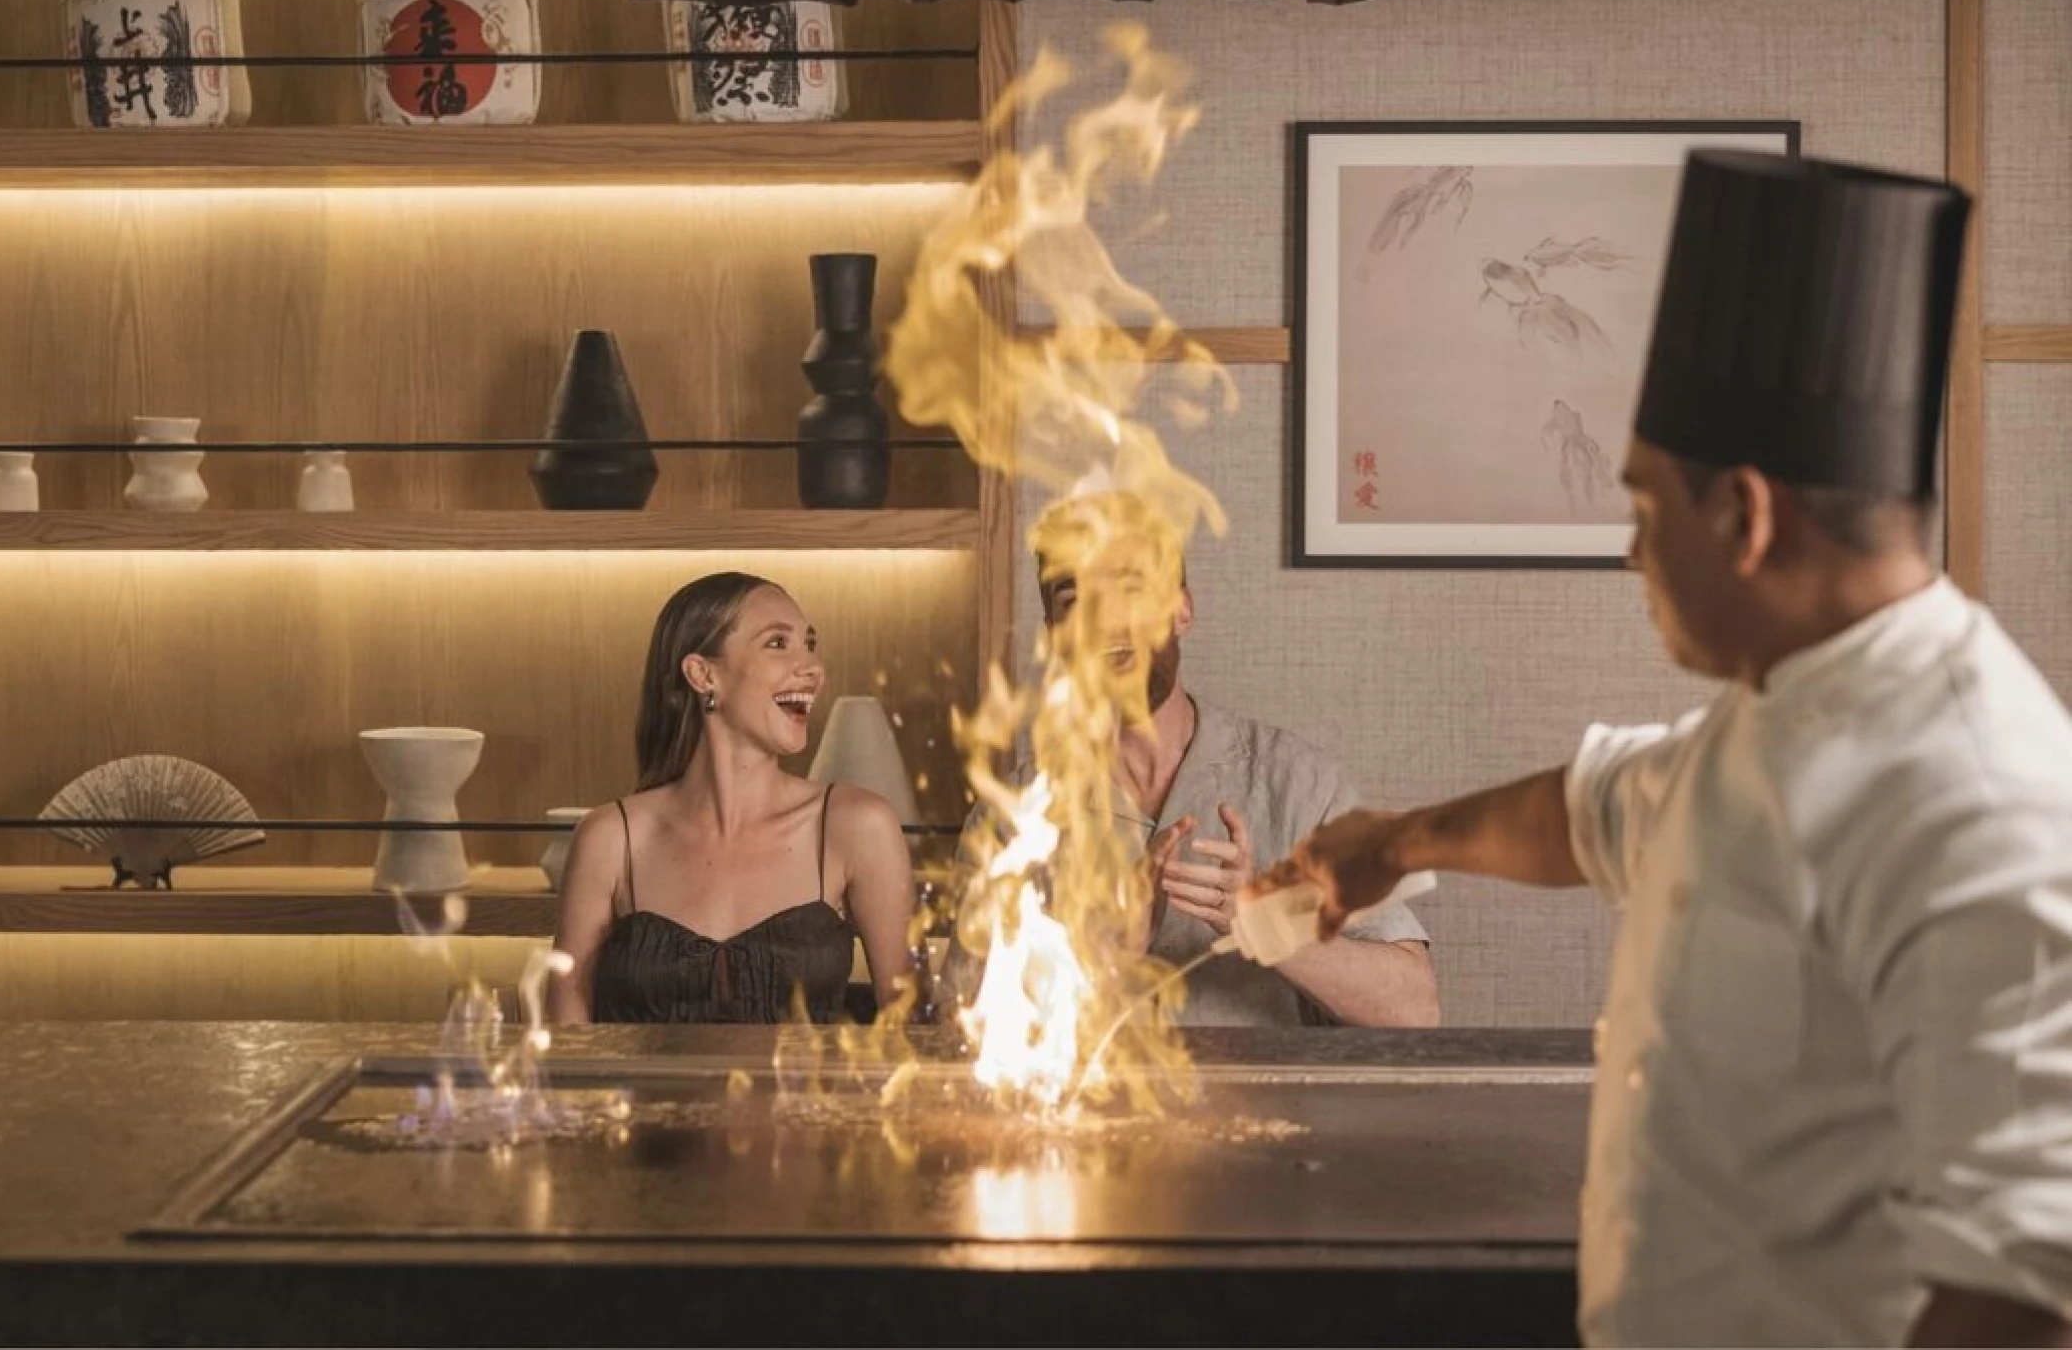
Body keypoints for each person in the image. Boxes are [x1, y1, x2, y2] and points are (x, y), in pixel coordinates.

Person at [1270, 152, 2072, 1346]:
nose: (1631, 554)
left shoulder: (1984, 800)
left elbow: (2014, 1295)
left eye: (1643, 510)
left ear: (1746, 517)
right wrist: (1388, 843)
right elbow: (1592, 807)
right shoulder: (1773, 712)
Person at [950, 491, 1439, 1027]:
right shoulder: (1010, 819)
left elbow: (1414, 1010)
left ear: (1183, 609)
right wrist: (1102, 959)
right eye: (1072, 599)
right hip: (1087, 1110)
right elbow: (961, 1038)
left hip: (1276, 1107)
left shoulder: (1296, 784)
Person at [549, 572, 915, 1024]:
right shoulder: (611, 837)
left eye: (810, 644)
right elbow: (567, 1038)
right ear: (703, 674)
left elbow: (911, 1023)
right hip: (638, 1097)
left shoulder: (856, 826)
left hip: (811, 1097)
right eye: (778, 644)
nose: (813, 668)